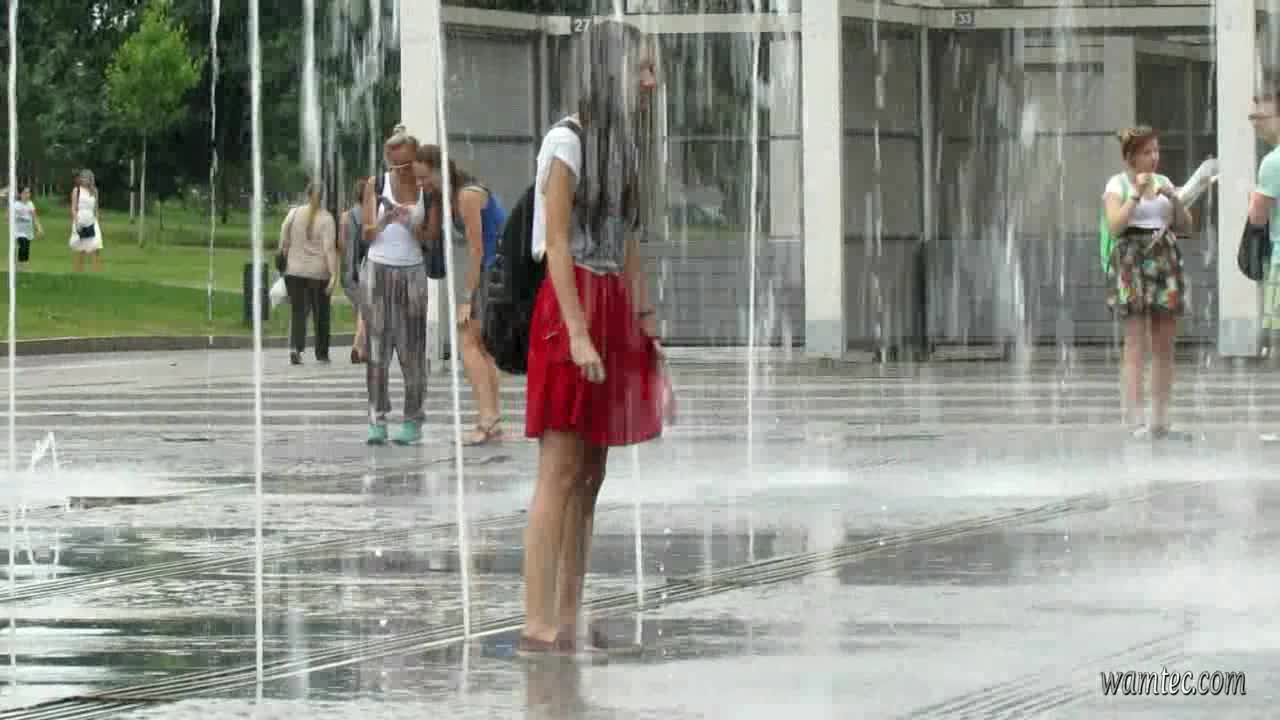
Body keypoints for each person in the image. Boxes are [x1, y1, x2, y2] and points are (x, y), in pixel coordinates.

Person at [519, 20, 663, 655]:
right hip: (569, 300)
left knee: (591, 472)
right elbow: (555, 241)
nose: (651, 82)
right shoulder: (567, 140)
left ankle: (570, 614)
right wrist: (577, 333)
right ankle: (538, 622)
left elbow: (627, 241)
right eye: (641, 69)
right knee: (559, 468)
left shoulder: (621, 147)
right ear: (610, 71)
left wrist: (644, 318)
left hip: (608, 302)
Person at [1101, 125, 1193, 441]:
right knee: (1136, 341)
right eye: (1146, 152)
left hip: (1164, 257)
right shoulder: (1117, 184)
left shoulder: (1164, 182)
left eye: (1156, 151)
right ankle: (1135, 419)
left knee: (1164, 342)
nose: (1154, 157)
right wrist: (1136, 194)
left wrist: (1175, 199)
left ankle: (1161, 419)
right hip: (1131, 259)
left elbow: (1186, 226)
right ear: (1130, 156)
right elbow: (1114, 226)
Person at [415, 145, 507, 445]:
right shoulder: (452, 195)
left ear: (440, 170)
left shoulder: (467, 195)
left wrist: (467, 297)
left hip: (493, 271)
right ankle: (492, 420)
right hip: (496, 271)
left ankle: (486, 420)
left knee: (467, 343)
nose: (422, 184)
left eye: (424, 177)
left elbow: (478, 250)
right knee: (482, 348)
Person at [360, 129, 441, 446]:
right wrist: (385, 221)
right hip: (378, 269)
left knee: (412, 350)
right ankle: (376, 419)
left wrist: (410, 224)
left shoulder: (427, 191)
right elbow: (366, 234)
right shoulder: (376, 184)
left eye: (406, 164)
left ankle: (412, 419)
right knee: (377, 349)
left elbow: (431, 238)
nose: (401, 170)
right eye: (395, 164)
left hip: (412, 272)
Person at [278, 181, 338, 365]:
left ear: (307, 194)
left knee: (298, 311)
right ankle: (321, 353)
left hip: (294, 271)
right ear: (323, 197)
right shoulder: (327, 219)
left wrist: (284, 261)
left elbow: (283, 241)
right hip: (318, 273)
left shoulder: (294, 213)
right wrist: (333, 275)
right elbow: (329, 249)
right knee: (321, 314)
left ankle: (295, 348)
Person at [339, 177, 371, 364]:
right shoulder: (369, 216)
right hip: (364, 269)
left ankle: (363, 349)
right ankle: (358, 346)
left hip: (348, 272)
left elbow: (342, 245)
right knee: (365, 310)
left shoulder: (345, 216)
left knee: (361, 310)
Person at [68, 170, 103, 272]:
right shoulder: (76, 190)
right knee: (80, 248)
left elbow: (96, 208)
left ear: (90, 179)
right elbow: (73, 208)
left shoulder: (94, 191)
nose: (84, 180)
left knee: (96, 245)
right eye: (82, 178)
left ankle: (96, 271)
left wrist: (97, 220)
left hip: (92, 219)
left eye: (86, 178)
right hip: (80, 219)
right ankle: (78, 271)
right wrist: (76, 221)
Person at [11, 187, 43, 269]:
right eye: (25, 193)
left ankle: (24, 264)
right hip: (18, 231)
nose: (27, 195)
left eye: (28, 193)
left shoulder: (30, 204)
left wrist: (39, 228)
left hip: (28, 230)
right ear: (20, 194)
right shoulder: (15, 205)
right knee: (23, 245)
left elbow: (35, 217)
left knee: (26, 247)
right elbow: (8, 217)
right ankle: (20, 264)